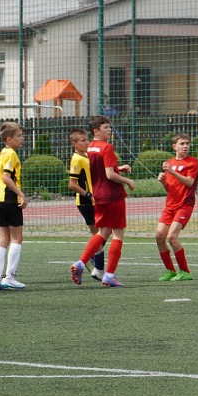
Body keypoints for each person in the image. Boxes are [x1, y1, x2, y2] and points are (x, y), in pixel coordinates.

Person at [70, 115, 134, 288]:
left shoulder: (90, 148)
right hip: (113, 195)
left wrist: (117, 168)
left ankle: (80, 263)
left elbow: (100, 169)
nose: (109, 130)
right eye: (106, 127)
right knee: (118, 234)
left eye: (109, 127)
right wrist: (127, 181)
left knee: (102, 233)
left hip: (98, 195)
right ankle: (109, 275)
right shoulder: (106, 147)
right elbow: (109, 175)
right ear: (96, 131)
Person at [155, 133, 198, 282]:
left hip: (185, 204)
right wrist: (163, 181)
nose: (185, 146)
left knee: (172, 237)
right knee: (159, 236)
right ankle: (170, 271)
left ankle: (185, 271)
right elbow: (170, 189)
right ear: (174, 146)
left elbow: (189, 182)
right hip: (170, 205)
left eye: (187, 143)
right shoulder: (169, 163)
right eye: (182, 144)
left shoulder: (193, 162)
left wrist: (173, 172)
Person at [0, 122, 28, 290]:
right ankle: (9, 277)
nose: (22, 139)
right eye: (19, 136)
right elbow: (6, 177)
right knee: (17, 238)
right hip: (9, 198)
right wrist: (21, 194)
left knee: (3, 239)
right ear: (9, 139)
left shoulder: (3, 152)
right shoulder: (11, 154)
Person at [67, 128, 105, 281]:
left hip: (96, 201)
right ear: (74, 144)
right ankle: (97, 268)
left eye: (86, 139)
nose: (86, 142)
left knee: (102, 234)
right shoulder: (77, 159)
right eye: (82, 141)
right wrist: (89, 195)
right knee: (100, 234)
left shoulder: (87, 156)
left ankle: (91, 262)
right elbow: (72, 184)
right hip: (86, 202)